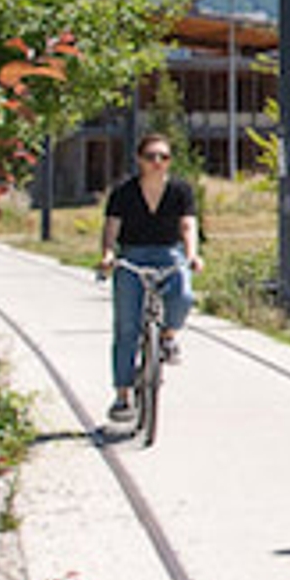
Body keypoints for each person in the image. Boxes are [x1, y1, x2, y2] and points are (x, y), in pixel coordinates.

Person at [95, 132, 201, 425]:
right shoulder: (123, 192)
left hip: (169, 253)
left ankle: (167, 337)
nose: (157, 162)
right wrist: (107, 255)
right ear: (139, 160)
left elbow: (188, 225)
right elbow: (111, 229)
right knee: (126, 327)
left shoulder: (180, 190)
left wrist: (192, 255)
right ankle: (122, 395)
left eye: (163, 157)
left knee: (184, 294)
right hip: (132, 257)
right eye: (151, 156)